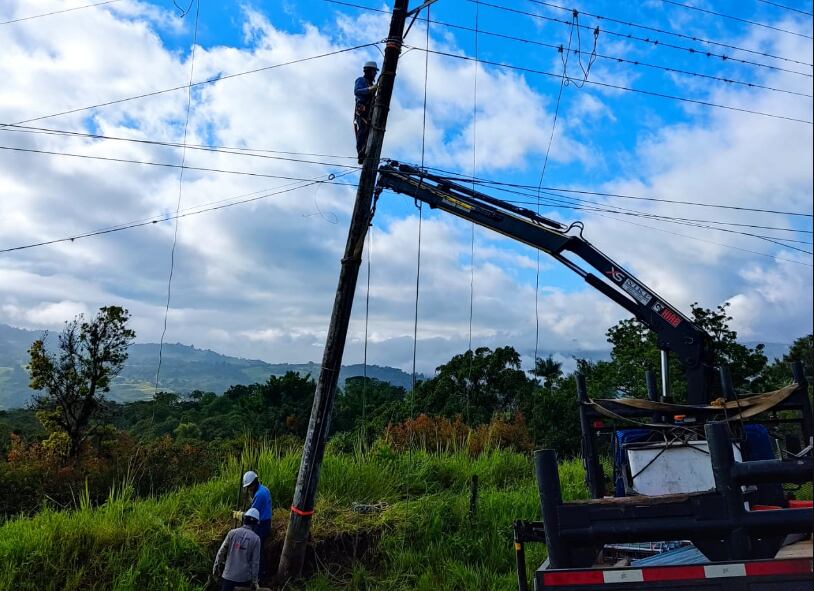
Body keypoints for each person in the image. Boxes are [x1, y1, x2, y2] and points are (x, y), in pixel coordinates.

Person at [233, 471, 272, 575]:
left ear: (253, 484)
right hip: (266, 522)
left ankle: (260, 573)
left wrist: (239, 515)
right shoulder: (263, 489)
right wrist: (249, 499)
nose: (248, 489)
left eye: (249, 487)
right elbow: (257, 505)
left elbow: (251, 516)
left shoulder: (260, 494)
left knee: (256, 548)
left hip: (261, 525)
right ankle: (260, 571)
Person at [213, 507, 261, 591]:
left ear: (244, 520)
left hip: (228, 577)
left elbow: (221, 552)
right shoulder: (256, 539)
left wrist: (216, 567)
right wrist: (254, 582)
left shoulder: (232, 533)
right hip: (244, 579)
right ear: (256, 524)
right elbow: (255, 563)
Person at [354, 61, 379, 164]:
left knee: (370, 132)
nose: (375, 74)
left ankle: (365, 151)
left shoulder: (371, 84)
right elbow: (357, 91)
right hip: (362, 109)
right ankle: (361, 152)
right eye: (374, 72)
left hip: (370, 110)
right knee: (363, 130)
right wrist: (370, 89)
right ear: (368, 71)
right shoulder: (361, 80)